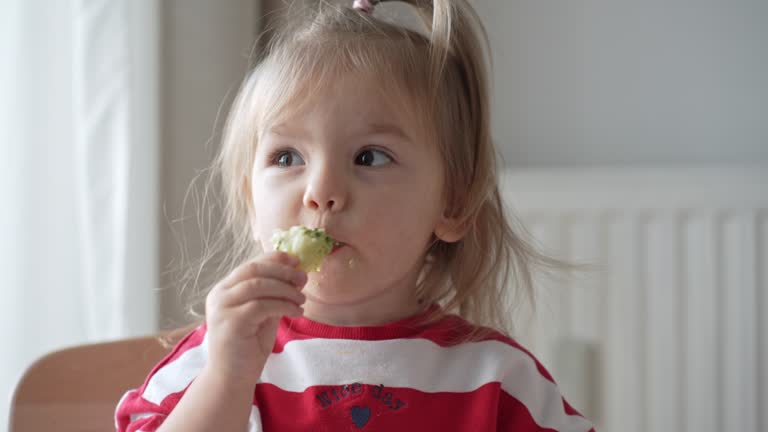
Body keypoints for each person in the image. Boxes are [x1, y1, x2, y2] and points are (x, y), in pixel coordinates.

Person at [115, 0, 596, 430]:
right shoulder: (216, 360)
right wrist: (226, 379)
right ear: (250, 203)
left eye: (370, 157)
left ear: (451, 203)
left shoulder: (496, 381)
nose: (321, 191)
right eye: (287, 158)